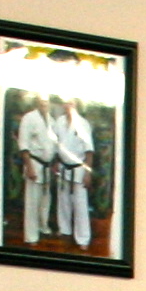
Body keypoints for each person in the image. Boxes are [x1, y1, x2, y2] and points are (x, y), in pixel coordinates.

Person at [51, 96, 94, 249]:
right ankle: (65, 230)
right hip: (63, 167)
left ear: (76, 105)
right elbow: (55, 143)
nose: (68, 106)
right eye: (66, 103)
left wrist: (88, 173)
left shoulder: (83, 124)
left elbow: (89, 151)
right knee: (63, 201)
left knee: (80, 204)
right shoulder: (59, 122)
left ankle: (83, 238)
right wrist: (56, 161)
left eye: (71, 103)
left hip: (79, 168)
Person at [16, 93, 57, 244]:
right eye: (41, 100)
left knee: (45, 201)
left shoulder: (51, 120)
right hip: (34, 163)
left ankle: (43, 226)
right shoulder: (29, 118)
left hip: (47, 166)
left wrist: (54, 164)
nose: (44, 103)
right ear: (36, 101)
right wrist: (29, 167)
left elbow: (54, 144)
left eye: (47, 101)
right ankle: (31, 236)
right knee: (32, 202)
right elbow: (24, 144)